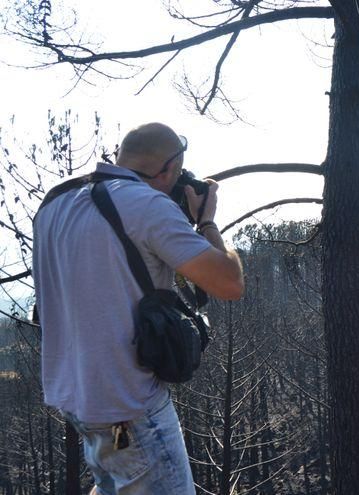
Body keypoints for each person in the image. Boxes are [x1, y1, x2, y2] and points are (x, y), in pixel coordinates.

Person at [33, 122, 244, 494]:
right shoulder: (145, 205)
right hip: (131, 407)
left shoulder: (54, 204)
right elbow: (229, 283)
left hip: (82, 405)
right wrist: (206, 220)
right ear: (168, 170)